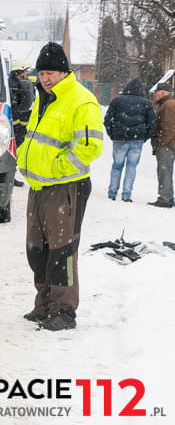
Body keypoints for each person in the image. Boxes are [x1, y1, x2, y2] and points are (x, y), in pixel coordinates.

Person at [16, 42, 103, 331]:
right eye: (41, 73)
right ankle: (44, 305)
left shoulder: (81, 100)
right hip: (39, 186)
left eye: (51, 72)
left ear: (64, 72)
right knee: (36, 249)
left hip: (66, 187)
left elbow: (90, 148)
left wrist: (55, 169)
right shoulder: (44, 98)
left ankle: (63, 310)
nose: (45, 78)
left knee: (62, 250)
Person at [103, 78, 155, 202]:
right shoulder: (146, 103)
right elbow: (152, 123)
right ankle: (126, 194)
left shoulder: (117, 101)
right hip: (137, 140)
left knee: (117, 166)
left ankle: (112, 192)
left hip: (120, 139)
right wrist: (144, 137)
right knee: (131, 167)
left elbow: (107, 120)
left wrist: (112, 134)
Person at [148, 76, 175, 207]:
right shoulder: (168, 104)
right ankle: (167, 197)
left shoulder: (168, 105)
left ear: (164, 93)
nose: (155, 94)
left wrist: (161, 143)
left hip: (167, 145)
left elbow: (169, 127)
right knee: (165, 171)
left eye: (157, 92)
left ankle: (165, 199)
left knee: (164, 172)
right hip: (168, 143)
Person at [8, 60, 36, 187]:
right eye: (25, 71)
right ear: (18, 72)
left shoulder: (19, 84)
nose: (27, 74)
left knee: (17, 151)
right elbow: (15, 106)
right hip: (15, 126)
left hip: (19, 126)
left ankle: (11, 176)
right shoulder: (12, 85)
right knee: (13, 151)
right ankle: (9, 177)